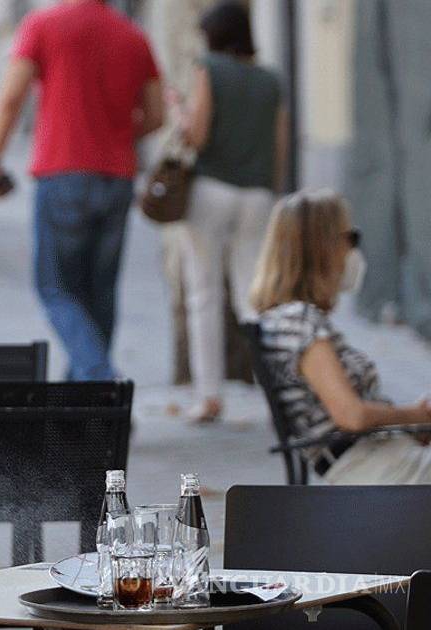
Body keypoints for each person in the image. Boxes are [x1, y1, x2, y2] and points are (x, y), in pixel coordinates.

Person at [0, 0, 163, 380]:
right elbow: (156, 115)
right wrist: (114, 132)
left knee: (55, 287)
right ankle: (87, 400)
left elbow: (11, 98)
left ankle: (99, 377)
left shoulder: (42, 25)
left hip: (62, 173)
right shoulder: (134, 36)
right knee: (100, 292)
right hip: (117, 178)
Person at [252, 191, 431, 484]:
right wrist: (415, 415)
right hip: (375, 467)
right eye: (351, 238)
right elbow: (351, 416)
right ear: (322, 248)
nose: (354, 250)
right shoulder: (299, 321)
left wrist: (412, 424)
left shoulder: (287, 320)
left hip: (381, 459)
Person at [172, 1, 288, 422]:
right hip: (258, 194)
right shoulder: (272, 81)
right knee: (253, 296)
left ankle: (209, 396)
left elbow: (197, 136)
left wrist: (180, 111)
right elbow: (280, 146)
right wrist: (270, 191)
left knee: (203, 293)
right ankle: (278, 394)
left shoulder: (209, 68)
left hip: (212, 190)